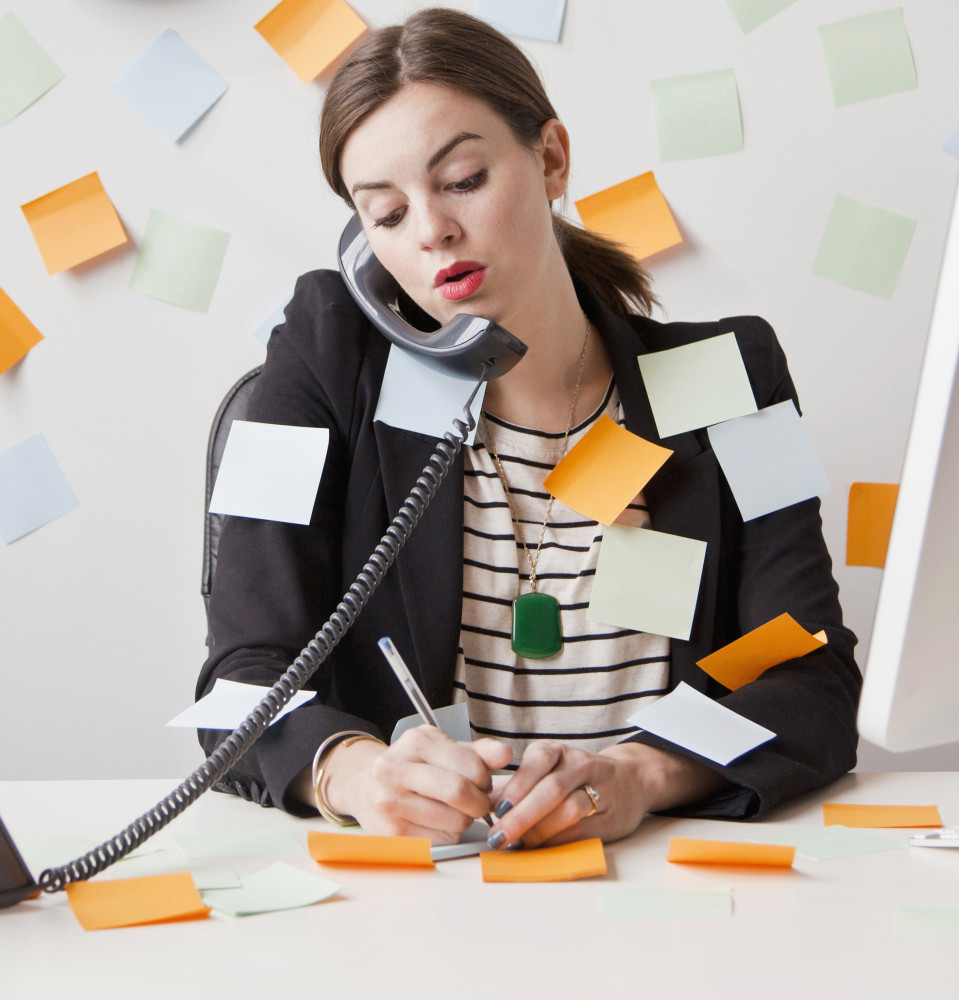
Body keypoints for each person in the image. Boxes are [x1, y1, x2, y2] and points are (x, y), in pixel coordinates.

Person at [198, 7, 859, 852]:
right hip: (420, 895)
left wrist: (642, 775)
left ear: (550, 158)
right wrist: (358, 773)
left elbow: (814, 676)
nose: (432, 229)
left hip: (654, 875)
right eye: (386, 214)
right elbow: (238, 679)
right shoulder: (323, 358)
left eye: (463, 179)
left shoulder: (729, 376)